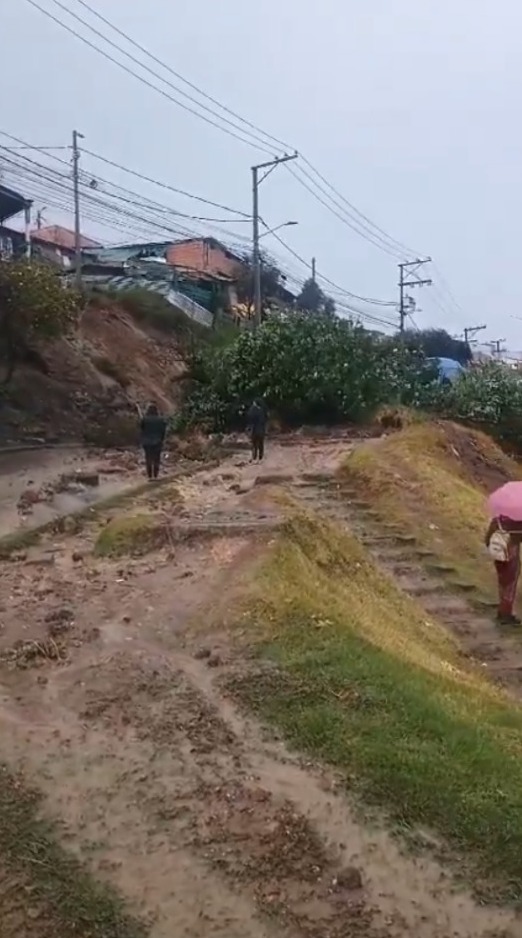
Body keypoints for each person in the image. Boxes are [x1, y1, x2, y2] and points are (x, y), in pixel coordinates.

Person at [485, 516, 522, 625]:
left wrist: (490, 545)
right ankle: (506, 613)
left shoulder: (499, 517)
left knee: (502, 580)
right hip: (510, 552)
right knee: (510, 583)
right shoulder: (518, 520)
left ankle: (502, 609)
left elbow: (488, 536)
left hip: (498, 551)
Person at [140, 403, 167, 480]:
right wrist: (162, 439)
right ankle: (155, 475)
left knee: (148, 458)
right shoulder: (161, 420)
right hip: (157, 441)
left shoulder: (144, 419)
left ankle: (149, 476)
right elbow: (163, 431)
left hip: (146, 442)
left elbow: (142, 429)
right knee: (156, 459)